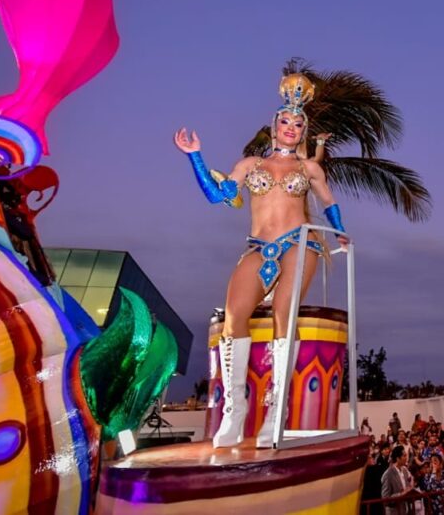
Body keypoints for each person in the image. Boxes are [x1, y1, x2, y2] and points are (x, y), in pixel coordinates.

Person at [176, 73, 348, 448]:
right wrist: (195, 158)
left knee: (284, 315)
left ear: (304, 132)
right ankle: (235, 412)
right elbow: (218, 195)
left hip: (300, 243)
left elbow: (329, 203)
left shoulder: (309, 169)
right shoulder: (250, 164)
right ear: (274, 127)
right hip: (258, 246)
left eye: (298, 123)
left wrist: (342, 232)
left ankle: (276, 410)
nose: (291, 127)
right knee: (233, 318)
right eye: (285, 121)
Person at [382, 446, 416, 515]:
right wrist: (401, 494)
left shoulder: (405, 470)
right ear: (398, 458)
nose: (406, 458)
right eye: (404, 456)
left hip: (406, 510)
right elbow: (385, 499)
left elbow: (410, 484)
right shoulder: (388, 474)